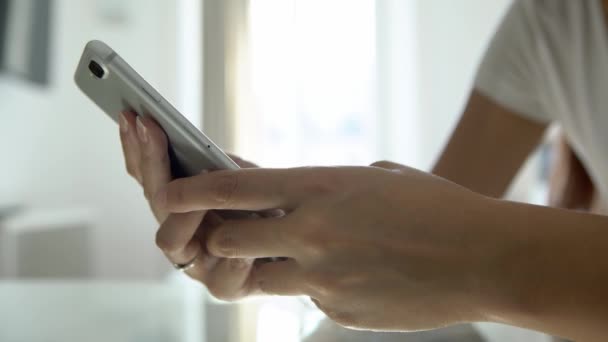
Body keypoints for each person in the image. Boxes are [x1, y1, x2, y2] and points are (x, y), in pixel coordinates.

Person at [117, 1, 608, 341]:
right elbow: (431, 225)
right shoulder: (552, 21)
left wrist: (468, 260)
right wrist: (275, 242)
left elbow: (436, 242)